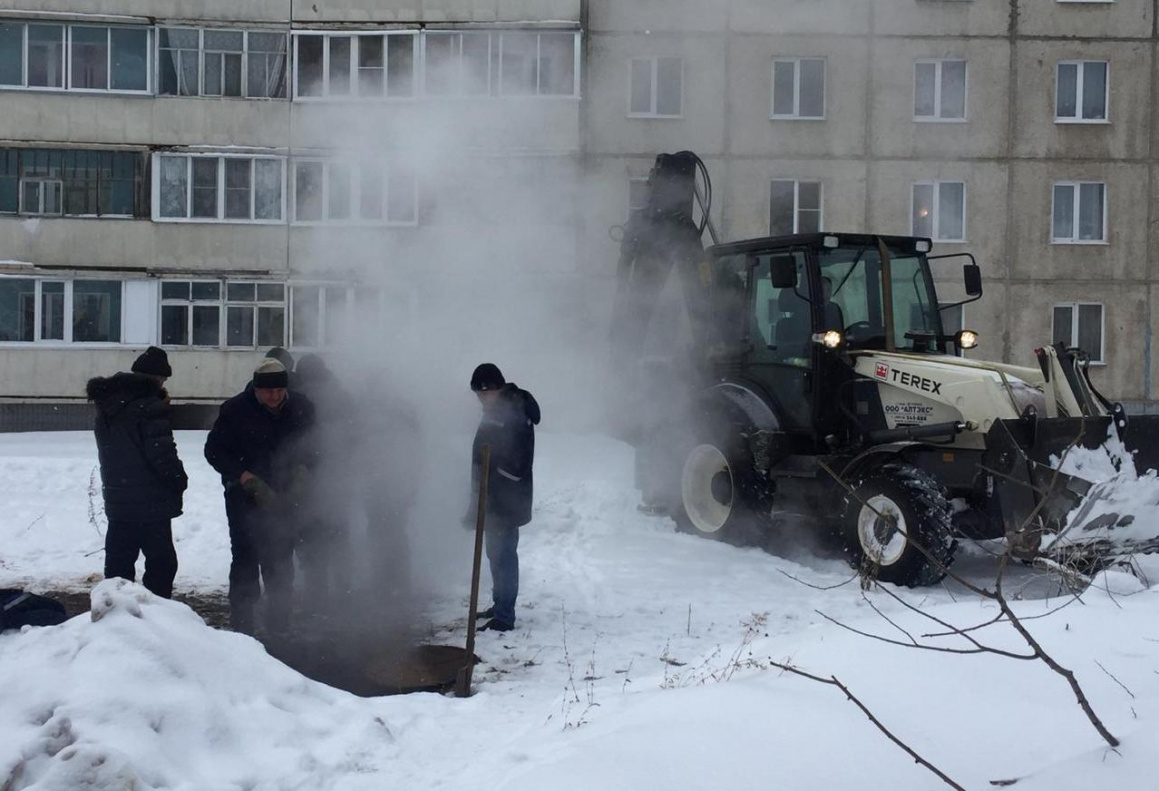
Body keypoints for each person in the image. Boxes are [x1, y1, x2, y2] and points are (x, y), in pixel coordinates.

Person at [204, 358, 315, 635]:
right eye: (268, 391)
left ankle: (279, 625)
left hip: (287, 495)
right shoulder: (235, 410)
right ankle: (243, 625)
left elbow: (318, 444)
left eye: (280, 391)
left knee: (279, 558)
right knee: (245, 557)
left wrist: (305, 470)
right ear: (256, 389)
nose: (275, 397)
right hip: (244, 498)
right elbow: (215, 451)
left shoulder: (302, 407)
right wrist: (243, 476)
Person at [85, 346, 187, 598]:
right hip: (150, 502)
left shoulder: (107, 405)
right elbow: (161, 454)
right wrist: (178, 479)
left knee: (119, 567)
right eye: (163, 379)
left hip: (119, 498)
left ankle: (117, 617)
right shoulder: (150, 407)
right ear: (156, 378)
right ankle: (157, 617)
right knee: (161, 565)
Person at [468, 363, 540, 633]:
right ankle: (500, 604)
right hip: (494, 497)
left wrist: (493, 473)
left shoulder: (512, 411)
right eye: (477, 394)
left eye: (482, 393)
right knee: (495, 554)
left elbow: (517, 460)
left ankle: (505, 616)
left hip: (506, 498)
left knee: (504, 556)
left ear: (493, 388)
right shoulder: (498, 409)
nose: (480, 399)